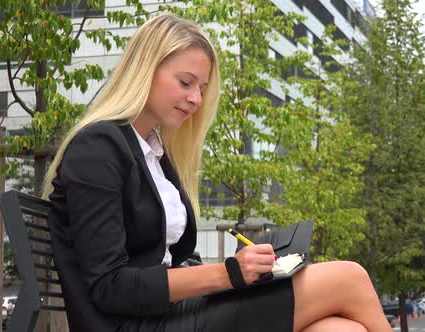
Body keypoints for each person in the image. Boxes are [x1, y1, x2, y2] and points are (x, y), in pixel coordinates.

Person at [43, 13, 391, 332]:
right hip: (134, 325)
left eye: (202, 89)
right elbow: (110, 286)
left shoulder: (150, 151)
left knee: (341, 330)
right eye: (185, 82)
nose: (196, 98)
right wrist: (227, 273)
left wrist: (245, 270)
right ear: (145, 69)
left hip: (162, 314)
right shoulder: (98, 148)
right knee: (350, 277)